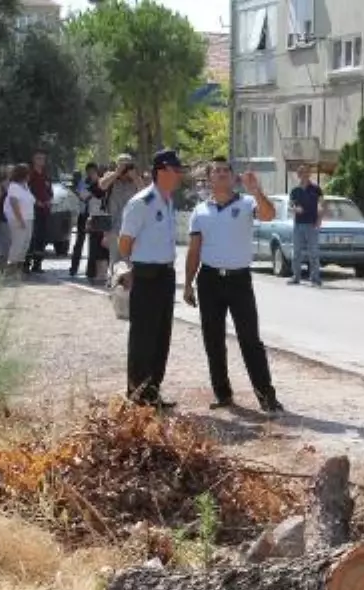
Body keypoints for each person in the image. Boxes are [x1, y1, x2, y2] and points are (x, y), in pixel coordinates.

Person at [183, 156, 284, 414]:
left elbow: (269, 214)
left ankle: (266, 396)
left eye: (226, 170)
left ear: (233, 176)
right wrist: (187, 284)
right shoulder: (200, 211)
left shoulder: (247, 202)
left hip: (239, 279)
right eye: (216, 171)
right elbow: (194, 250)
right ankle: (223, 393)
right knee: (213, 339)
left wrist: (256, 190)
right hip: (209, 279)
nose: (222, 174)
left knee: (250, 339)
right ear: (209, 178)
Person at [115, 149, 185, 408]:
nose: (179, 175)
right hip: (146, 274)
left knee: (161, 336)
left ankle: (153, 390)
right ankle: (137, 394)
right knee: (143, 337)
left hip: (166, 274)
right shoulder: (141, 202)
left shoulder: (168, 201)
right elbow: (124, 244)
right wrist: (136, 266)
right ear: (161, 171)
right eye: (174, 170)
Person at [99, 153, 142, 277]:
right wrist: (117, 173)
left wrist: (134, 177)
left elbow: (146, 193)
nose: (125, 168)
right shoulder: (111, 176)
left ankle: (129, 286)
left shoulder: (136, 179)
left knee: (130, 259)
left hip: (132, 227)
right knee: (115, 259)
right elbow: (102, 185)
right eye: (122, 164)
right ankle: (113, 283)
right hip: (113, 226)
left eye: (127, 164)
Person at [288, 164, 324, 286]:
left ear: (310, 174)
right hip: (298, 225)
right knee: (296, 252)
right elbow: (291, 205)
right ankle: (296, 277)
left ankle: (315, 278)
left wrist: (319, 219)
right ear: (298, 175)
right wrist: (295, 208)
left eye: (307, 172)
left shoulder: (316, 189)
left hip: (312, 224)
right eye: (302, 172)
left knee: (313, 253)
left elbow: (321, 204)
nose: (305, 174)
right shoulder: (295, 190)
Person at [70, 163, 104, 278]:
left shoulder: (101, 182)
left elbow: (95, 195)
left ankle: (91, 271)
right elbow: (82, 196)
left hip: (95, 215)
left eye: (93, 171)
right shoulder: (83, 183)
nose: (91, 173)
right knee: (79, 242)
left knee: (94, 244)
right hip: (83, 214)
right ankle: (73, 269)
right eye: (89, 171)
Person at [4, 163, 36, 277]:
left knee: (25, 244)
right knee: (18, 243)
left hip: (29, 218)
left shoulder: (26, 186)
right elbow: (14, 203)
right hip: (19, 219)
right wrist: (20, 219)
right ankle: (10, 270)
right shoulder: (14, 186)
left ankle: (18, 269)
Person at [26, 149, 54, 273]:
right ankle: (26, 264)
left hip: (45, 211)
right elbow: (26, 191)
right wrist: (36, 201)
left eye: (43, 158)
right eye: (38, 158)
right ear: (33, 159)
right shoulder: (30, 174)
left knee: (42, 238)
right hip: (33, 210)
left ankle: (37, 264)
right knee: (32, 237)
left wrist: (49, 200)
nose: (41, 161)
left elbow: (50, 191)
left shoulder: (46, 174)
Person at [0, 164, 13, 265]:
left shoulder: (18, 186)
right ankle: (2, 265)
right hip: (3, 219)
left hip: (14, 220)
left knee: (11, 245)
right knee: (4, 245)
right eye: (10, 171)